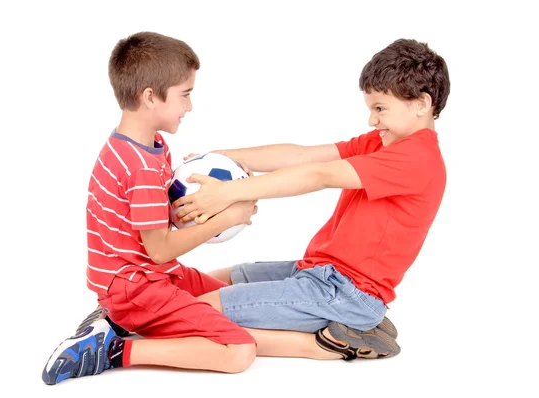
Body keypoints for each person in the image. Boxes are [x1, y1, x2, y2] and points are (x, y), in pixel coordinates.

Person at [42, 32, 404, 386]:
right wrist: (228, 216)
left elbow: (156, 220)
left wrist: (210, 200)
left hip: (148, 278)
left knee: (233, 301)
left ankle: (120, 319)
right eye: (185, 95)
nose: (189, 106)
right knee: (238, 350)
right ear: (150, 97)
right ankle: (115, 350)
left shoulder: (148, 147)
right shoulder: (139, 166)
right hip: (136, 286)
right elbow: (159, 247)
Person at [173, 37, 449, 358]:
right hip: (321, 272)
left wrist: (228, 191)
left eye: (380, 109)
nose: (372, 120)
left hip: (346, 293)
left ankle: (324, 344)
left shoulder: (418, 158)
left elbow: (319, 175)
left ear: (421, 103)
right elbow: (303, 156)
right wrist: (222, 157)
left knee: (195, 312)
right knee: (209, 281)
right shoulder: (381, 142)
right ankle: (349, 326)